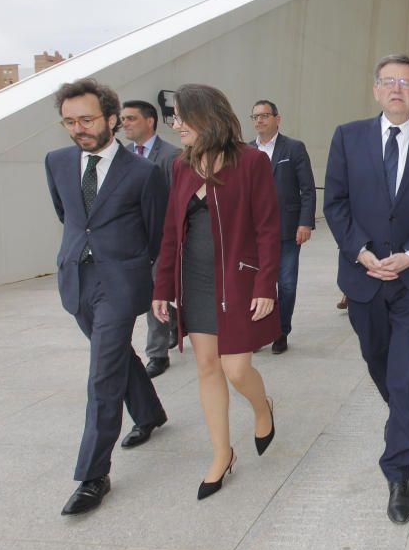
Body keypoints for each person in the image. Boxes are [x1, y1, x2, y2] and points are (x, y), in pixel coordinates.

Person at [323, 54, 409, 524]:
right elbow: (335, 202)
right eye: (388, 81)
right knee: (380, 363)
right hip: (363, 277)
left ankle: (398, 471)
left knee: (405, 376)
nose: (397, 89)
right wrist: (360, 251)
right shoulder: (347, 137)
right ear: (376, 90)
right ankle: (403, 411)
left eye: (406, 82)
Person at [46, 78, 168, 515]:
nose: (78, 128)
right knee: (113, 355)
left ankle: (93, 474)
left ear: (112, 119)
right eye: (69, 121)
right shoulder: (57, 162)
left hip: (120, 282)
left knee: (102, 375)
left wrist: (152, 281)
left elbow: (156, 235)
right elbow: (70, 216)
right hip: (76, 279)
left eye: (87, 119)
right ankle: (150, 412)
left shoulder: (144, 173)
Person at [152, 84, 280, 501]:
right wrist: (163, 286)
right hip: (197, 281)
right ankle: (222, 454)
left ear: (206, 116)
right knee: (207, 366)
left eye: (180, 116)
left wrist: (265, 284)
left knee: (237, 368)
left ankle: (263, 408)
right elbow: (172, 232)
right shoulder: (180, 166)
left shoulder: (252, 162)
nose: (175, 124)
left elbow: (267, 228)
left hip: (238, 281)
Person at [249, 99, 317, 354]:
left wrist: (305, 222)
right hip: (253, 232)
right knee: (254, 283)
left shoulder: (294, 148)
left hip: (287, 229)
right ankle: (256, 331)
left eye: (265, 115)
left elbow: (307, 189)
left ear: (278, 119)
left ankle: (280, 331)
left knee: (285, 283)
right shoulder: (246, 151)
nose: (259, 120)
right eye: (255, 116)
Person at [121, 99, 181, 378]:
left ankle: (157, 354)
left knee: (155, 292)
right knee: (147, 294)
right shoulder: (121, 156)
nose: (125, 124)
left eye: (131, 118)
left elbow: (177, 201)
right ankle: (174, 319)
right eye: (123, 119)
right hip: (131, 240)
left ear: (150, 121)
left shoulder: (171, 156)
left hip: (160, 239)